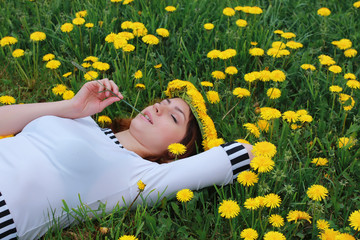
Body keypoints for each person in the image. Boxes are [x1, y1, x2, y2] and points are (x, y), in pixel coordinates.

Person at [0, 79, 253, 240]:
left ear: (178, 151)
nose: (157, 108)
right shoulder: (82, 120)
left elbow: (243, 153)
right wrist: (73, 107)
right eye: (161, 103)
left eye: (173, 117)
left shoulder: (140, 176)